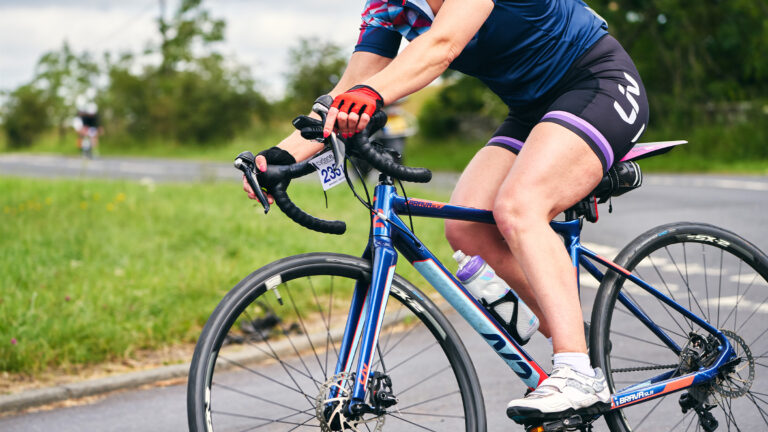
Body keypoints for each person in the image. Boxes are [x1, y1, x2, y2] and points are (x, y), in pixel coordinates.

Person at [245, 0, 648, 417]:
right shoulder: (388, 6)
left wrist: (372, 94)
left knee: (520, 206)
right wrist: (280, 158)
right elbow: (351, 85)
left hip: (598, 83)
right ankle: (574, 340)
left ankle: (577, 371)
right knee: (465, 228)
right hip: (532, 111)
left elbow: (443, 44)